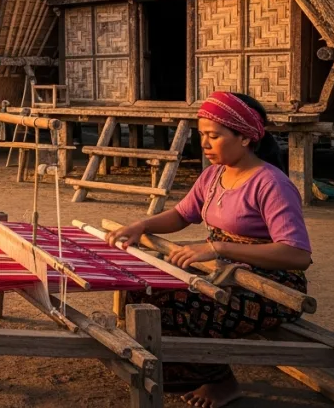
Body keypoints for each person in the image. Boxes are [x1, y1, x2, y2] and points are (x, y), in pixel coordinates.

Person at [106, 91, 311, 408]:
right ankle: (157, 363)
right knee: (147, 289)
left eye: (213, 136)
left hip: (271, 288)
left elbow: (297, 255)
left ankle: (218, 379)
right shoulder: (213, 175)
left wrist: (217, 247)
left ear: (244, 137)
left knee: (185, 303)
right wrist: (142, 225)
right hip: (222, 275)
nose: (204, 144)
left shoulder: (271, 183)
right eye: (202, 135)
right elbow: (181, 215)